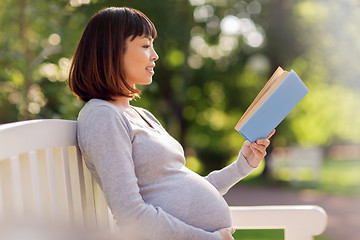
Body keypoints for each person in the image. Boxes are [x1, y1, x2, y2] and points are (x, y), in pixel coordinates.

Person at [68, 7, 274, 240]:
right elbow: (131, 215)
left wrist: (242, 165)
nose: (155, 55)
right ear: (112, 52)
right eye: (146, 46)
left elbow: (182, 190)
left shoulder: (141, 115)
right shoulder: (103, 116)